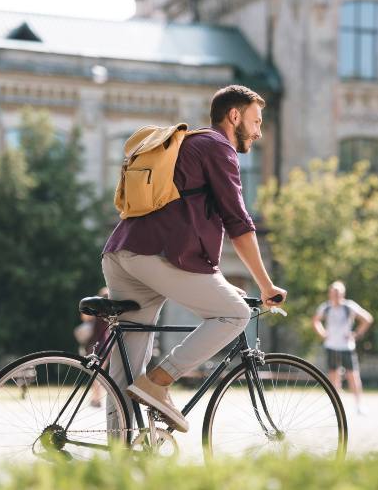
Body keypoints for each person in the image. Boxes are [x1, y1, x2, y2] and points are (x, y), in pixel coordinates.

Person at [101, 85, 286, 432]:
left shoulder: (189, 144)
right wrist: (266, 285)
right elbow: (238, 223)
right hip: (158, 256)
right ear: (234, 116)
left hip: (122, 251)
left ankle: (119, 455)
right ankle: (159, 381)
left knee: (124, 368)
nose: (260, 131)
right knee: (235, 312)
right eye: (256, 120)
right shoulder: (218, 147)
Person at [312, 281, 373, 414]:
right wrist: (322, 333)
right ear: (330, 293)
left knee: (353, 376)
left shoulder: (349, 306)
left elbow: (367, 318)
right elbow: (316, 320)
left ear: (343, 294)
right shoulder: (326, 307)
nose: (335, 295)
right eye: (333, 292)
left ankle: (359, 405)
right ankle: (336, 406)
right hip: (331, 346)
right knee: (333, 377)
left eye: (338, 293)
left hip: (347, 347)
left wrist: (356, 334)